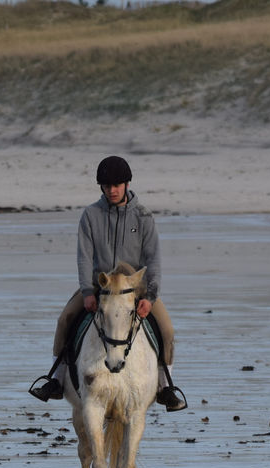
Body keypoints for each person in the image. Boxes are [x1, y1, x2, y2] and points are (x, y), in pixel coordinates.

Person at [28, 155, 186, 412]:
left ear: (126, 184)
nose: (112, 191)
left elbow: (153, 260)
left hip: (135, 290)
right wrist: (88, 292)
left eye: (117, 185)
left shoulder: (144, 217)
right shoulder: (90, 215)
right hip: (99, 289)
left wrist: (150, 297)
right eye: (107, 186)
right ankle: (55, 381)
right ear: (101, 187)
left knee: (166, 329)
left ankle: (164, 387)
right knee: (65, 319)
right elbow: (84, 257)